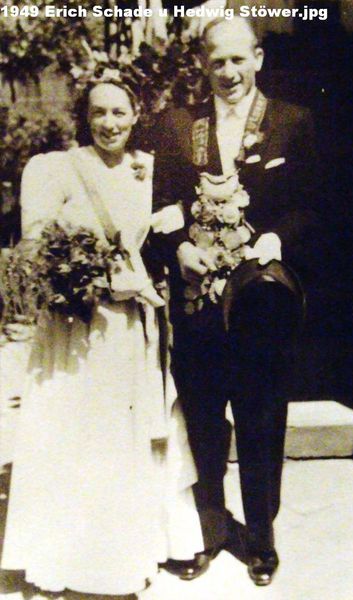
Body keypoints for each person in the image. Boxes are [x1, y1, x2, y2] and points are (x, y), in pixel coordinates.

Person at [1, 72, 204, 598]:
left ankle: (125, 552)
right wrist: (101, 281)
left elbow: (164, 240)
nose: (109, 123)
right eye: (98, 112)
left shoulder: (149, 170)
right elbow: (37, 250)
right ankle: (70, 556)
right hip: (77, 328)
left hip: (131, 328)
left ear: (136, 116)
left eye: (119, 112)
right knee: (76, 435)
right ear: (84, 117)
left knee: (125, 436)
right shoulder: (56, 169)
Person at [153, 17, 322, 586]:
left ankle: (261, 539)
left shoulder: (292, 122)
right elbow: (162, 202)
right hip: (197, 300)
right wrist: (179, 249)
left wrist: (276, 239)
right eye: (217, 61)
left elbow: (310, 205)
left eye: (237, 59)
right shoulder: (178, 125)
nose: (228, 71)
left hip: (259, 303)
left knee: (261, 419)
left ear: (258, 59)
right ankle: (208, 530)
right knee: (202, 421)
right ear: (203, 64)